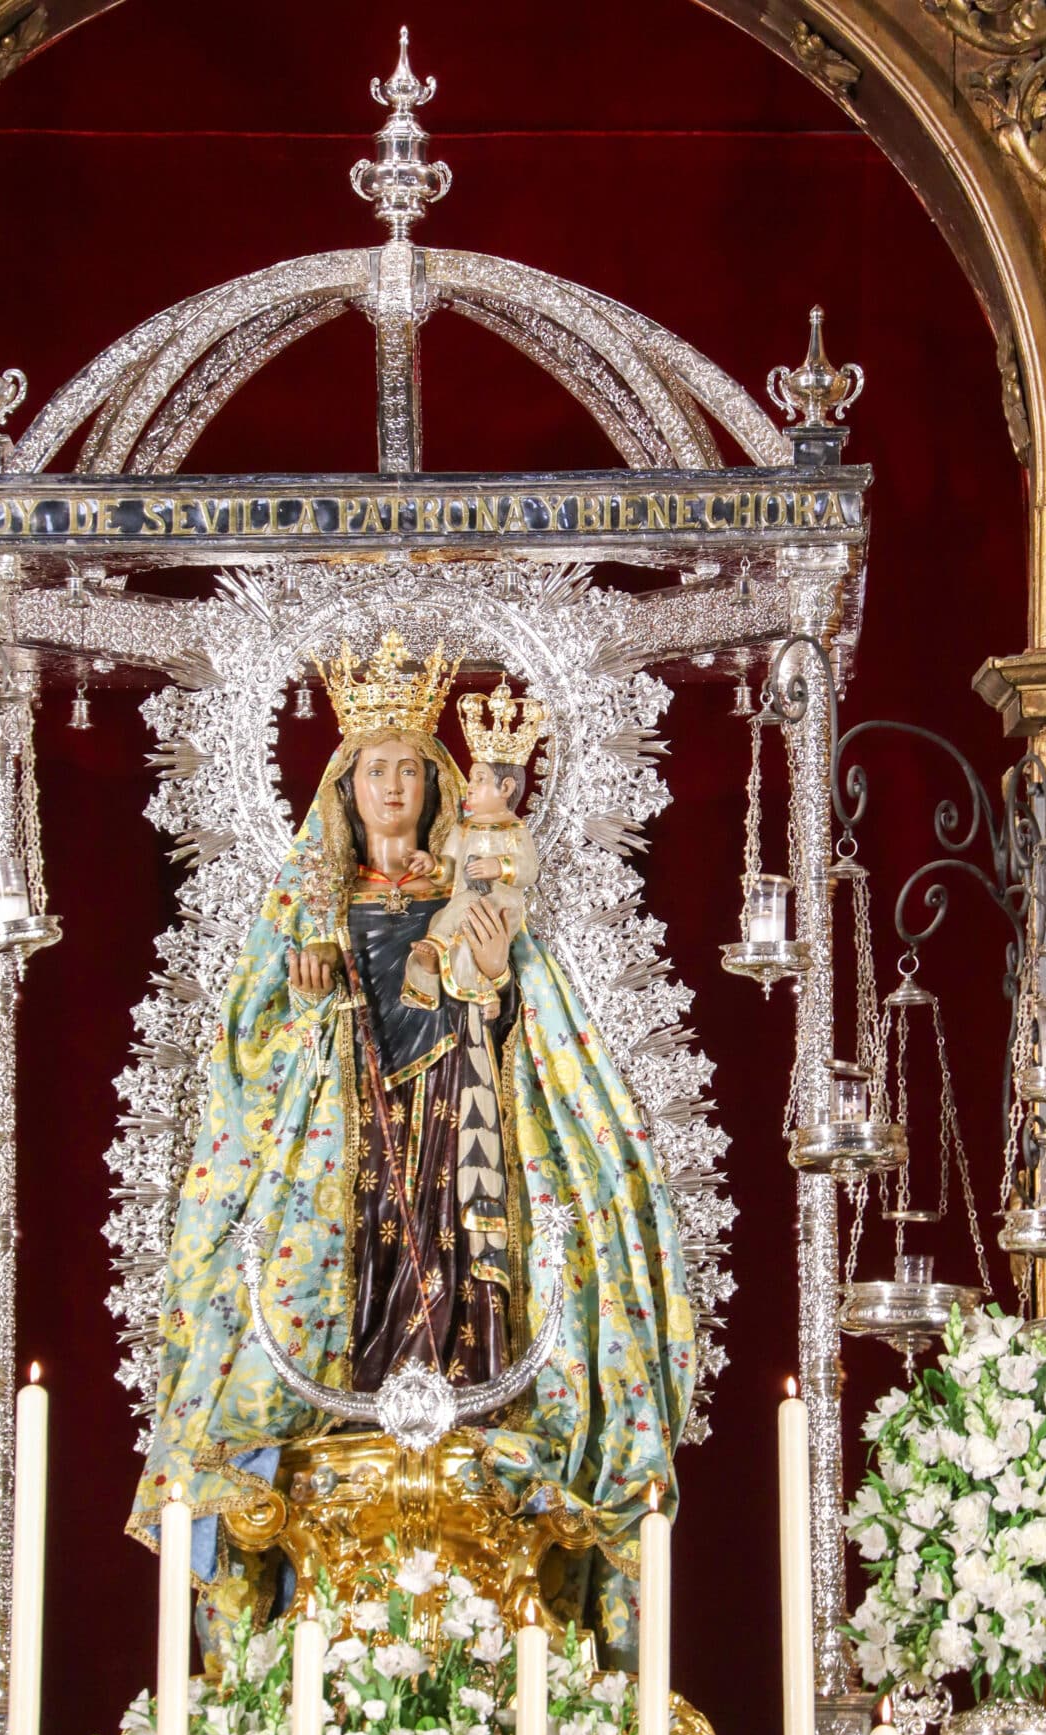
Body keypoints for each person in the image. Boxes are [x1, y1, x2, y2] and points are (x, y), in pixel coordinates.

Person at [128, 628, 695, 1656]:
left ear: (436, 784)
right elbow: (248, 1049)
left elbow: (533, 1030)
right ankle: (341, 1417)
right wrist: (309, 994)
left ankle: (473, 1409)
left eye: (408, 769)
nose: (391, 786)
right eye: (373, 770)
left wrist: (496, 971)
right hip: (339, 1157)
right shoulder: (308, 911)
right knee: (347, 1283)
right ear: (343, 791)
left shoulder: (471, 892)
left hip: (461, 1124)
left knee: (462, 1270)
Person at [401, 680, 544, 1020]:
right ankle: (459, 991)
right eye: (471, 778)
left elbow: (529, 870)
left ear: (506, 788)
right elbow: (449, 869)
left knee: (459, 919)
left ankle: (437, 947)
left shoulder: (514, 830)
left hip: (500, 908)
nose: (470, 787)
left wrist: (500, 866)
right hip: (462, 907)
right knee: (455, 934)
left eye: (479, 779)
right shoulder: (463, 829)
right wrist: (431, 865)